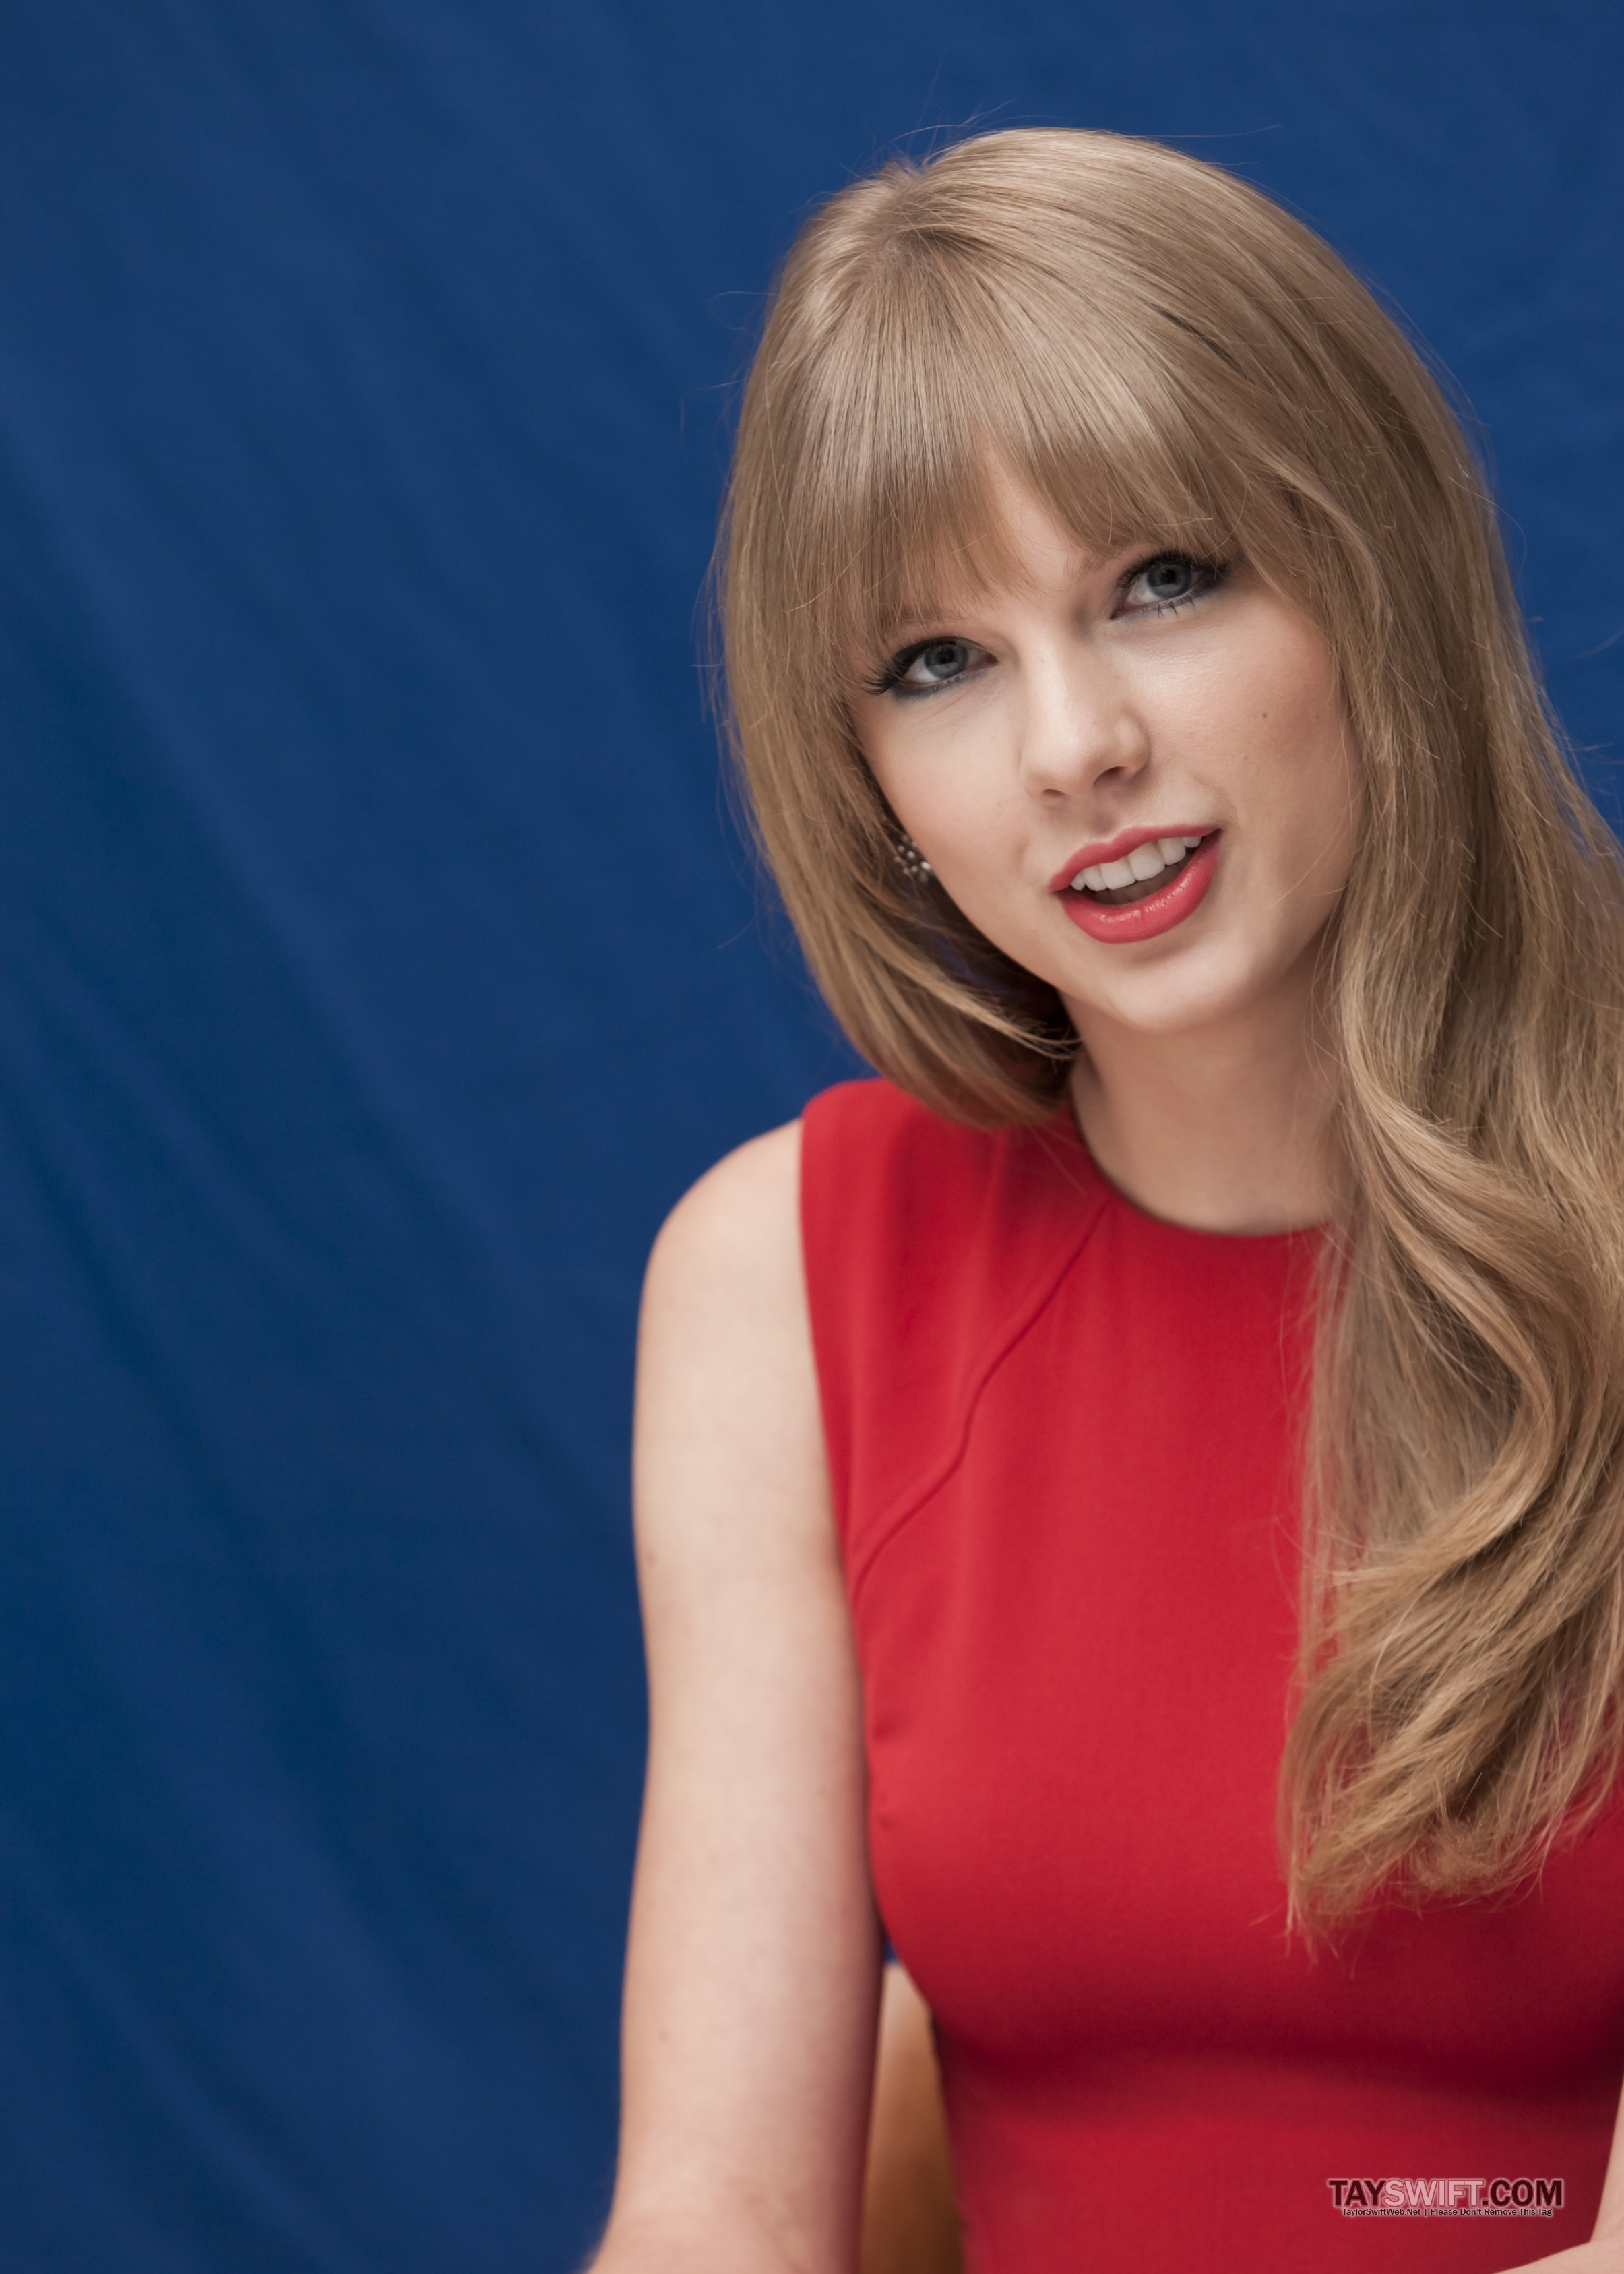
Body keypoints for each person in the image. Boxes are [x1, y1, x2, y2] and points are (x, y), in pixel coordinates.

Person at [591, 128, 1624, 2273]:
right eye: (935, 662)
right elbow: (712, 2224)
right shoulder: (778, 1284)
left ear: (1372, 578)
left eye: (1161, 582)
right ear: (872, 781)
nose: (1071, 748)